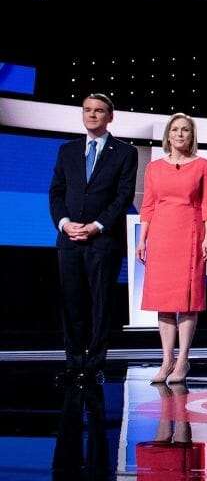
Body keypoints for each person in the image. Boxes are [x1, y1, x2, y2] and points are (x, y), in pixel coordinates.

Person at [48, 93, 137, 387]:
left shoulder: (125, 152)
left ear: (110, 116)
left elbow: (123, 196)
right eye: (87, 110)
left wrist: (98, 225)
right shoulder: (67, 150)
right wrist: (64, 224)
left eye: (99, 111)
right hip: (69, 240)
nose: (92, 115)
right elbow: (56, 192)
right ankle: (73, 364)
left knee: (100, 305)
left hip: (103, 241)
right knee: (71, 304)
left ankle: (94, 365)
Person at [136, 113, 207, 386]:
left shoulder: (203, 165)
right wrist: (142, 239)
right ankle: (167, 359)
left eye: (185, 130)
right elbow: (148, 205)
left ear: (191, 136)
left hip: (190, 235)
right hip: (161, 235)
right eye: (175, 130)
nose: (180, 134)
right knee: (165, 303)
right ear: (167, 135)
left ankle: (183, 359)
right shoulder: (154, 168)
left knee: (188, 302)